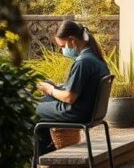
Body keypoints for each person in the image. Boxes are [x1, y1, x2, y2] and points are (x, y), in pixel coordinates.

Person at [34, 20, 111, 154]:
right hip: (89, 111)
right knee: (43, 102)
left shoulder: (83, 62)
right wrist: (57, 87)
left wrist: (50, 90)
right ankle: (48, 155)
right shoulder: (96, 59)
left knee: (30, 109)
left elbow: (69, 97)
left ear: (72, 41)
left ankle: (43, 158)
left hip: (77, 113)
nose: (62, 50)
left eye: (62, 46)